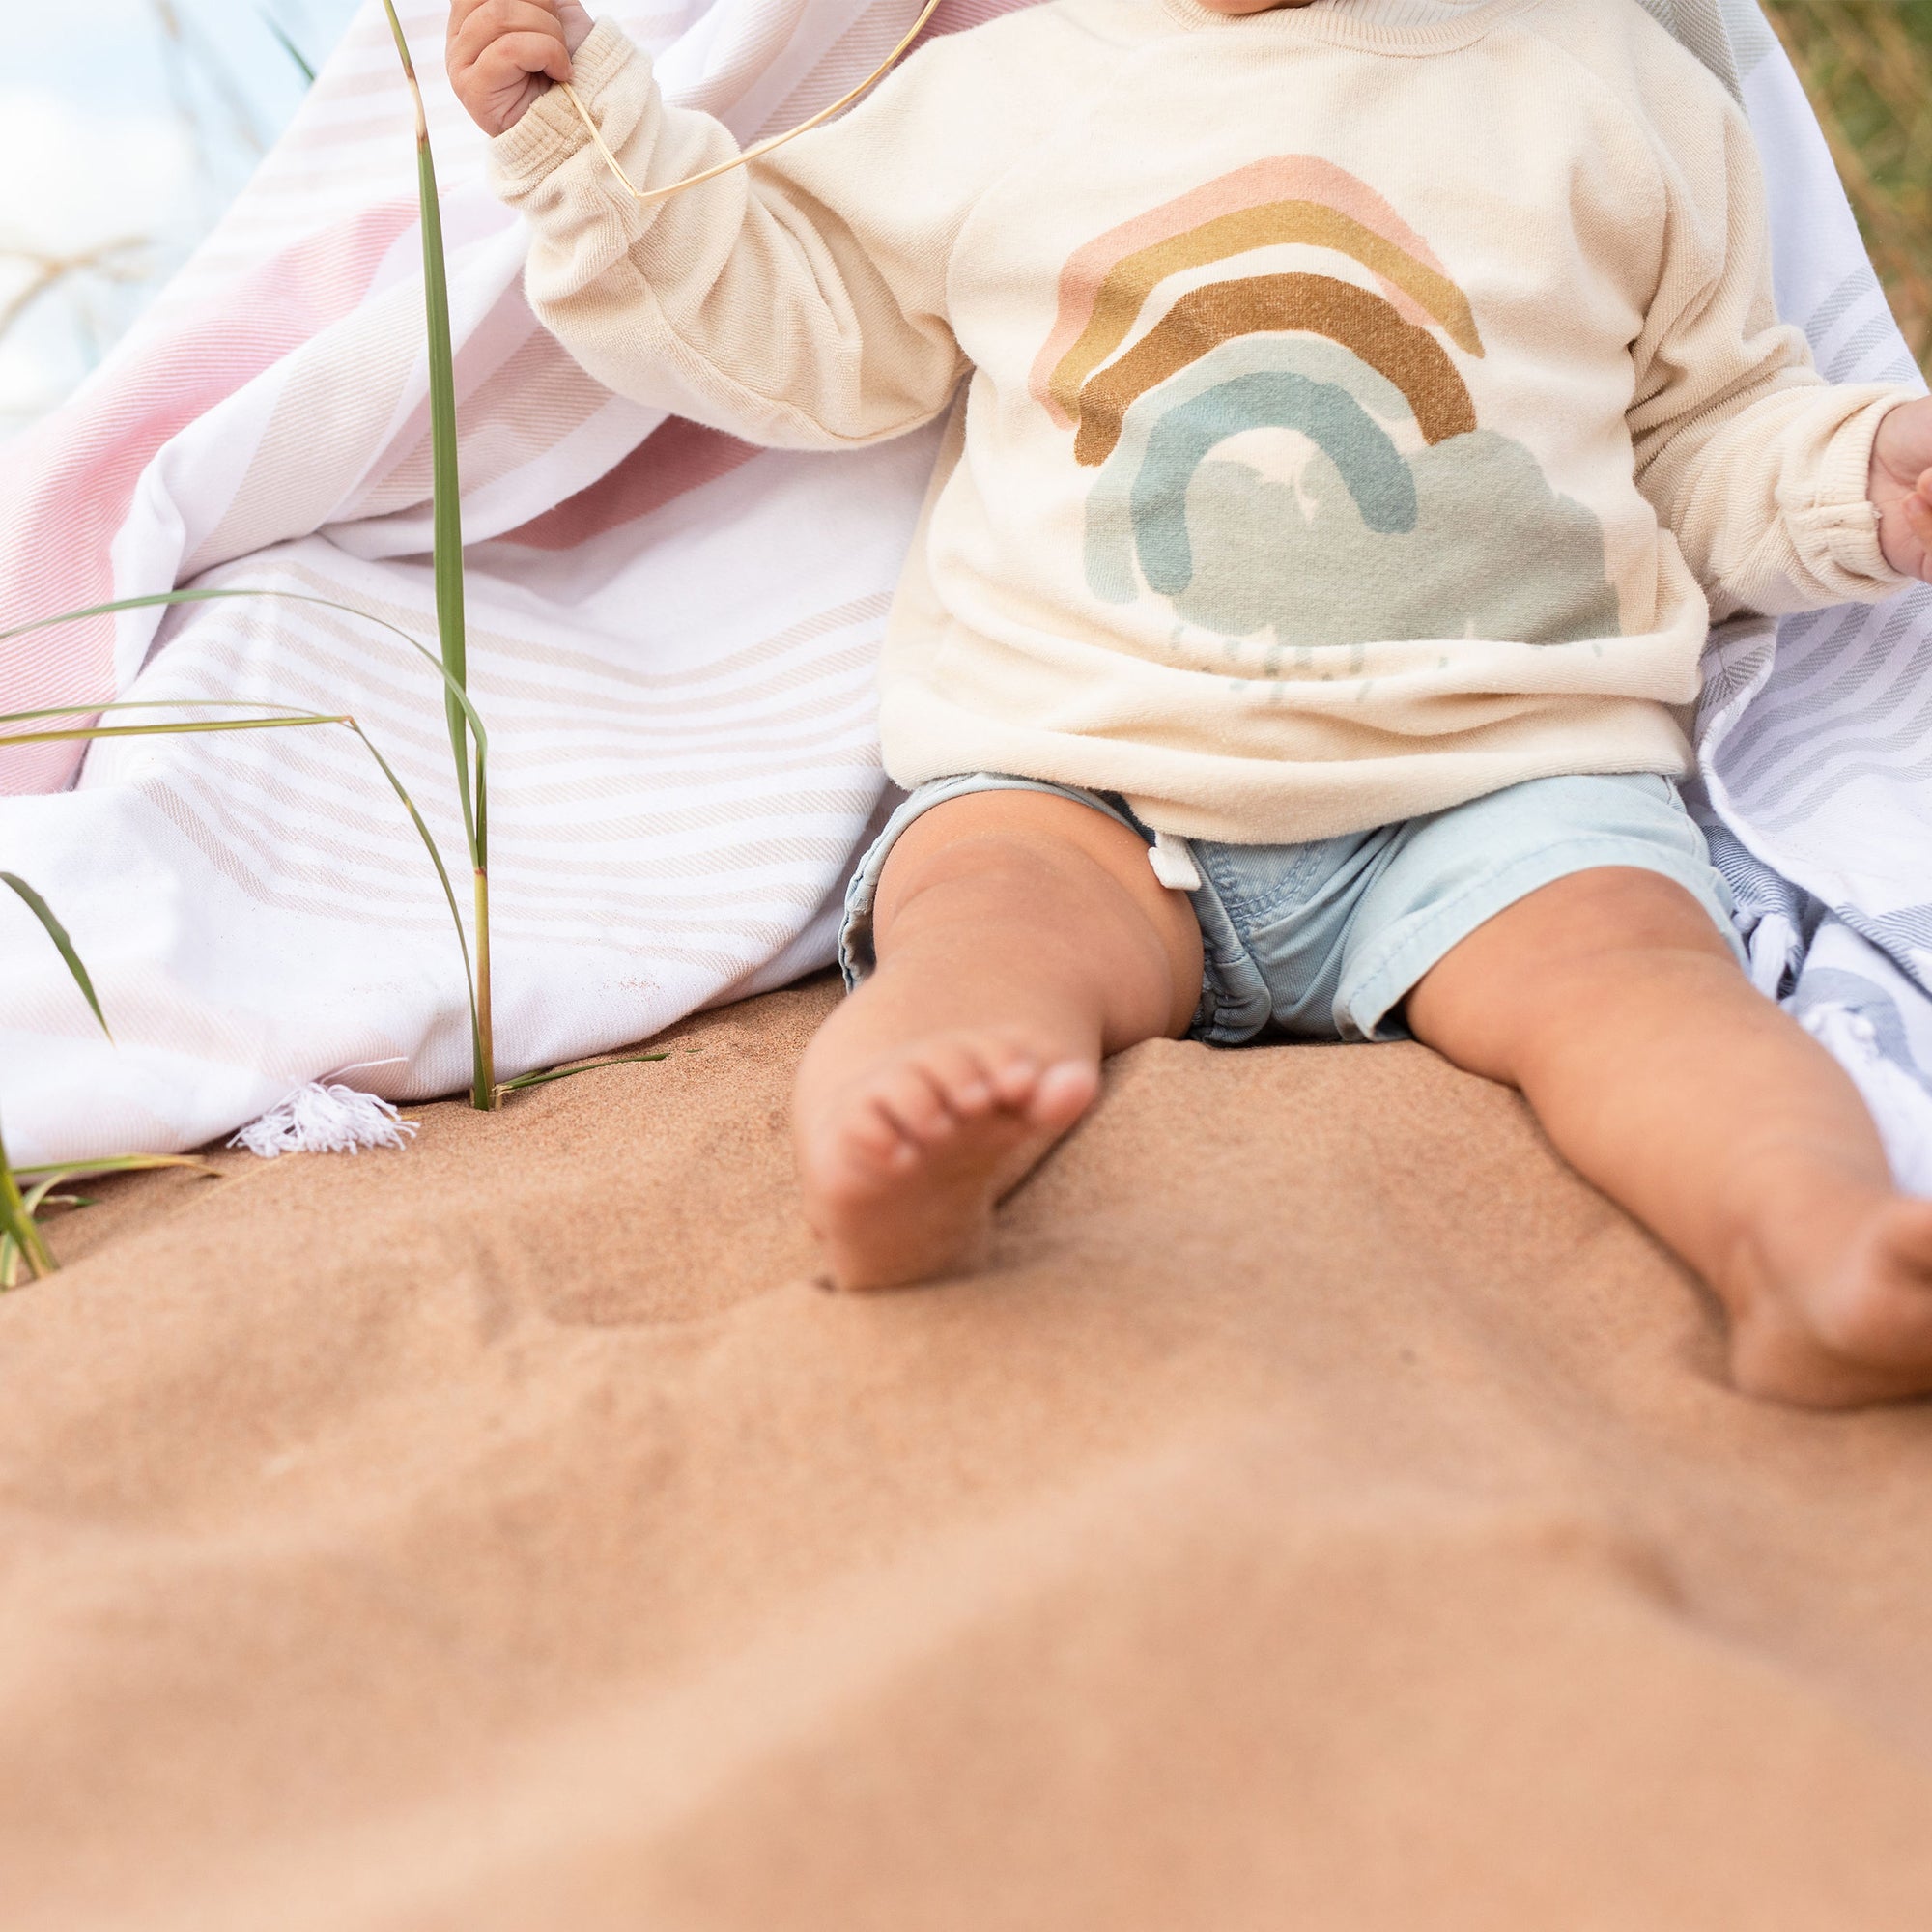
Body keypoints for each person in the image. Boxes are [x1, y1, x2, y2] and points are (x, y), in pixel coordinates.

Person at [448, 0, 1932, 1405]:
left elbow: (1703, 431)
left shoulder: (1613, 82)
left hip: (1498, 788)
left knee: (1645, 989)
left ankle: (1805, 1244)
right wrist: (587, 145)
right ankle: (901, 1155)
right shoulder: (1005, 94)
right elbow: (791, 318)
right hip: (1082, 784)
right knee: (974, 942)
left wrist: (1851, 476)